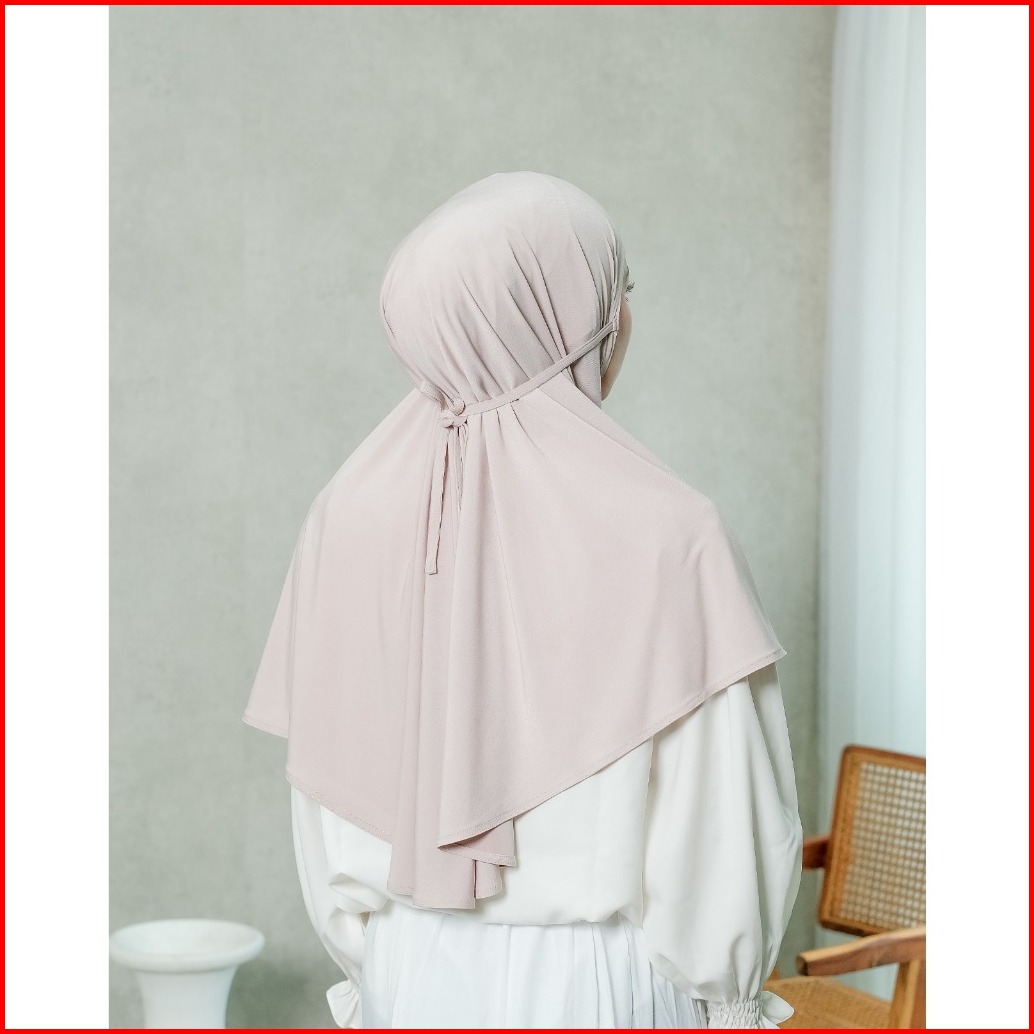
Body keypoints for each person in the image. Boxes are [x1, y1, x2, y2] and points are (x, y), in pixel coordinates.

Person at [243, 171, 803, 1029]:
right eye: (614, 292)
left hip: (407, 969)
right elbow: (723, 823)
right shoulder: (671, 532)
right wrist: (728, 997)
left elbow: (324, 800)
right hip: (602, 982)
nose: (624, 317)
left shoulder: (341, 517)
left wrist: (376, 968)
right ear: (561, 318)